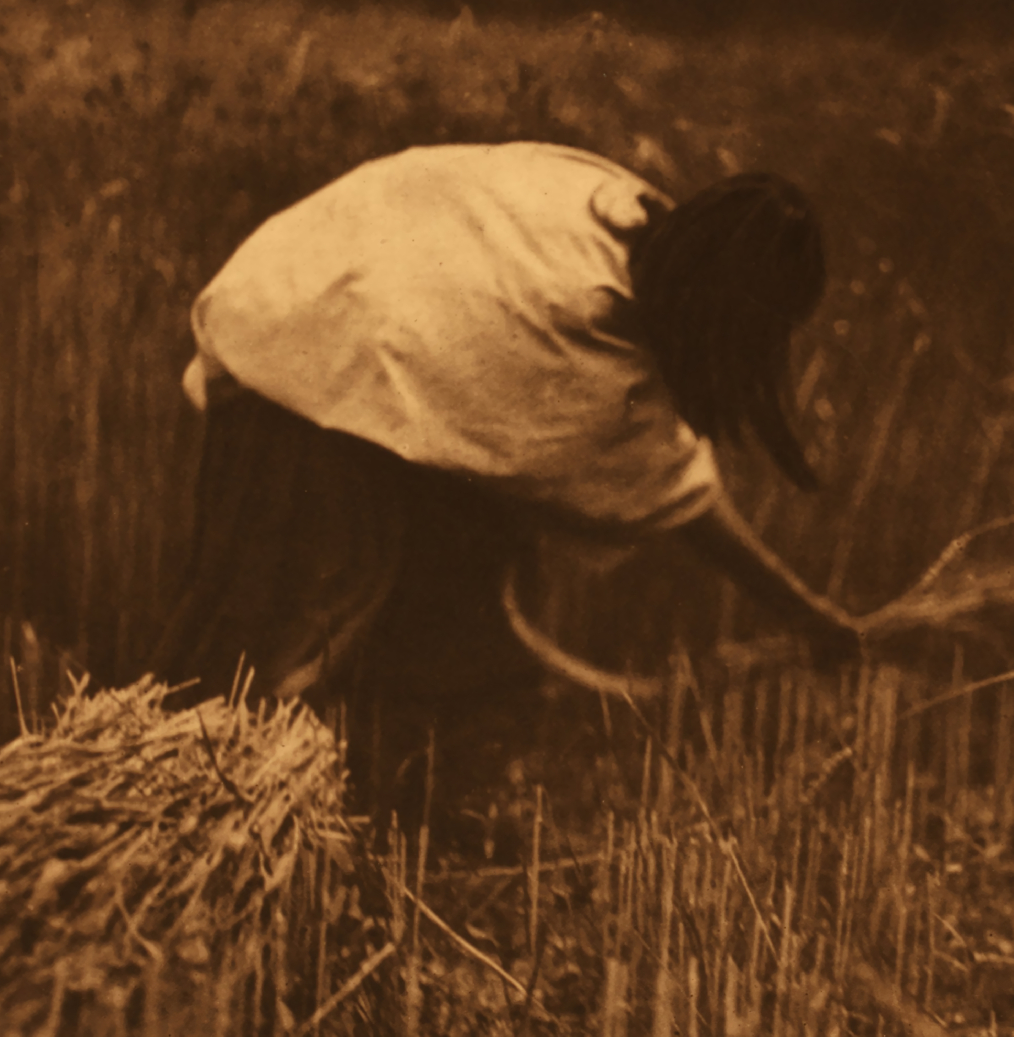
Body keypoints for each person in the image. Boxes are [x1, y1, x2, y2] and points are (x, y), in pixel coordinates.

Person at [151, 141, 859, 756]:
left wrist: (808, 614)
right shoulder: (573, 328)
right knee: (269, 646)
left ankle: (377, 789)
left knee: (435, 622)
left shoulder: (610, 205)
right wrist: (807, 615)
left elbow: (676, 482)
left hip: (303, 281)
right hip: (308, 354)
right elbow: (679, 499)